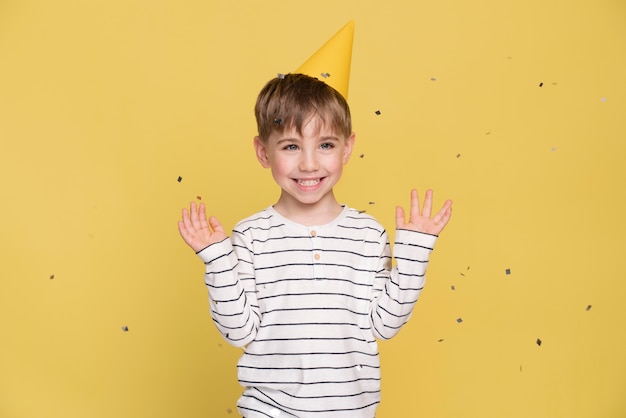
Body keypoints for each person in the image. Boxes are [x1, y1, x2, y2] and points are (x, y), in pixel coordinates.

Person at [178, 73, 452, 418]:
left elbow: (385, 323)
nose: (308, 164)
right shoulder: (250, 236)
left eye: (325, 145)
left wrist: (414, 254)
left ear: (347, 148)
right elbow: (238, 331)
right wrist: (217, 260)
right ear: (264, 152)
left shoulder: (368, 235)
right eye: (291, 146)